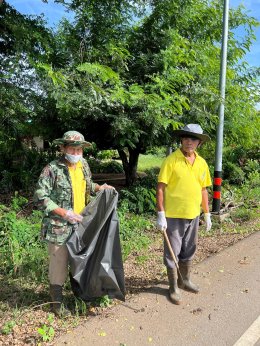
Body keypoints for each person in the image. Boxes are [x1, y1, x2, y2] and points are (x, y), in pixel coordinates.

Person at [34, 130, 114, 316]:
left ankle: (81, 295)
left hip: (80, 224)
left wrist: (99, 188)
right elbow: (40, 197)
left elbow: (88, 185)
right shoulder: (52, 169)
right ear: (63, 148)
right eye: (72, 149)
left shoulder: (83, 165)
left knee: (80, 261)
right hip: (58, 226)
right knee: (59, 264)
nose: (76, 154)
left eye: (80, 150)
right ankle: (57, 302)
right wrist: (63, 212)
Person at [156, 124, 212, 305]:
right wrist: (161, 213)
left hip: (193, 214)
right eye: (186, 138)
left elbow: (203, 190)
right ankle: (173, 287)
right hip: (173, 215)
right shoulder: (171, 161)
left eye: (193, 139)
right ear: (181, 140)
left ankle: (185, 280)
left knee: (189, 249)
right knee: (172, 251)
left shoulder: (202, 163)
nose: (189, 142)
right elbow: (160, 188)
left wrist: (207, 213)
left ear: (199, 143)